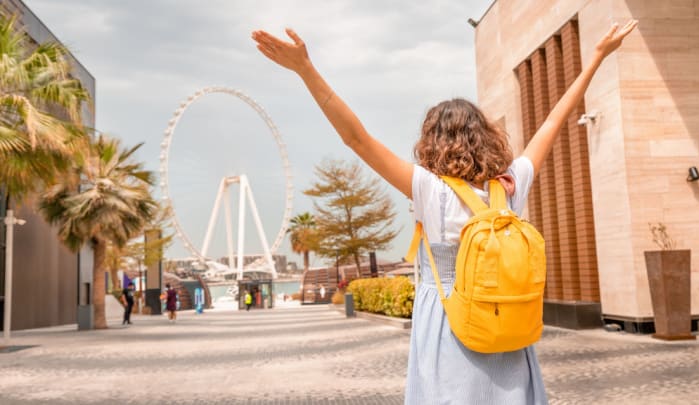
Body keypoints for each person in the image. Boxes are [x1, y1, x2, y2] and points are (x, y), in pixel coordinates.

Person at [252, 19, 637, 404]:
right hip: (507, 323)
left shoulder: (430, 191)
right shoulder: (509, 186)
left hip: (450, 324)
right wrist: (597, 58)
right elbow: (553, 121)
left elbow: (356, 138)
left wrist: (305, 69)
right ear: (486, 138)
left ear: (432, 142)